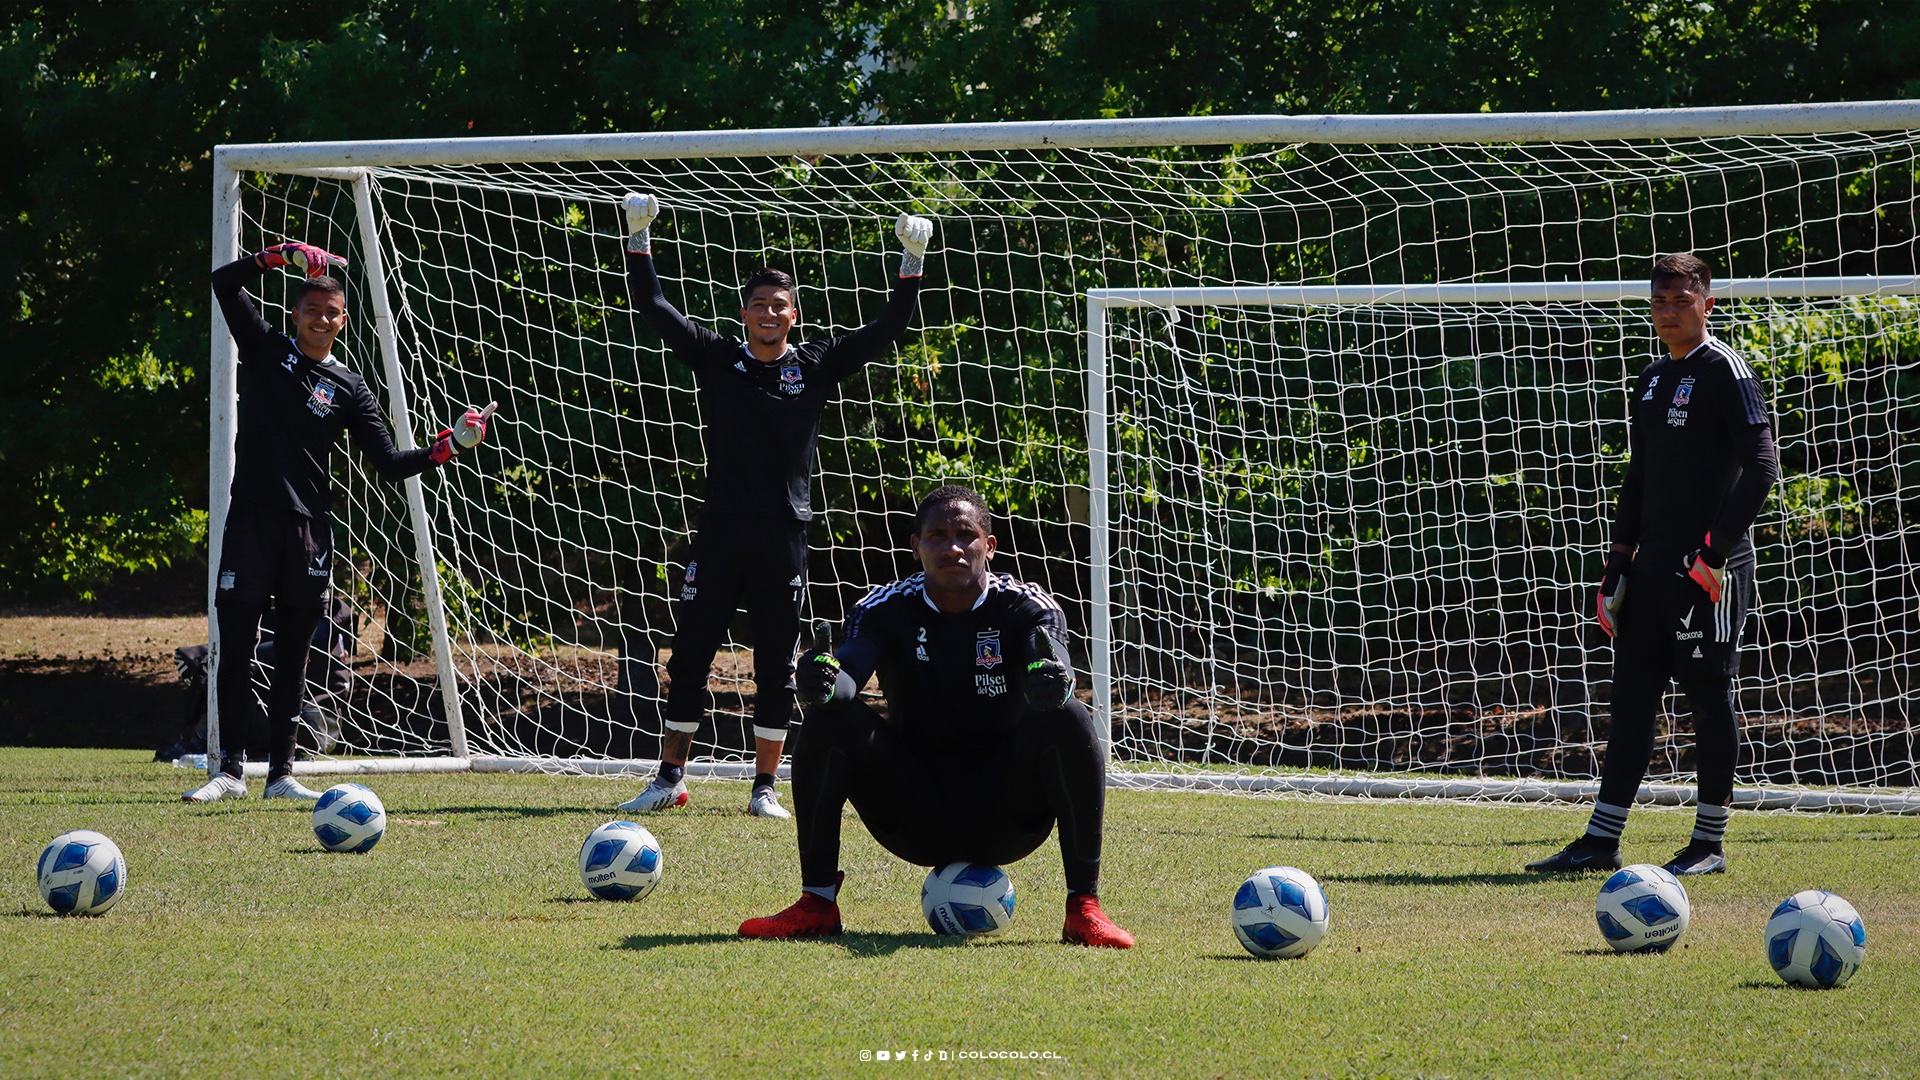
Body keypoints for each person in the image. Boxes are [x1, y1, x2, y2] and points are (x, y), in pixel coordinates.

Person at [614, 193, 933, 819]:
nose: (768, 313)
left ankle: (764, 787)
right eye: (758, 304)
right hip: (721, 530)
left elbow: (890, 327)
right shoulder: (716, 357)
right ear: (745, 313)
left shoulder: (814, 364)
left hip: (784, 532)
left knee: (774, 662)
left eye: (778, 306)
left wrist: (911, 260)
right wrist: (638, 238)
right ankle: (670, 775)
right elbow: (652, 305)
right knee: (692, 652)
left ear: (794, 317)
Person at [739, 485, 1135, 947]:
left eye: (965, 534)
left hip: (1005, 814)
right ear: (915, 546)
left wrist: (1053, 682)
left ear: (988, 546)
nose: (951, 547)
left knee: (1068, 713)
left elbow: (1054, 664)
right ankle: (817, 904)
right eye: (937, 535)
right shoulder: (884, 607)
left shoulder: (1026, 605)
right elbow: (850, 671)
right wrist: (824, 682)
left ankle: (1083, 909)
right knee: (830, 713)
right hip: (913, 813)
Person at [185, 242, 493, 802]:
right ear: (295, 315)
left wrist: (447, 447)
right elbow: (223, 284)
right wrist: (275, 256)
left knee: (298, 655)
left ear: (343, 321)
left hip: (308, 533)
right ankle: (229, 771)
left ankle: (280, 775)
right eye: (311, 310)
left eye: (331, 313)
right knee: (236, 647)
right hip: (251, 522)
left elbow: (391, 463)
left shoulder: (350, 389)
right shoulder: (263, 349)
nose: (321, 320)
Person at [1527, 253, 1777, 874]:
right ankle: (1601, 841)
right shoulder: (1651, 378)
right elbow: (1641, 476)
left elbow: (1764, 470)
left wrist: (1714, 553)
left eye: (1681, 301)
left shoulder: (1726, 370)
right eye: (1660, 302)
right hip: (1651, 570)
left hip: (1709, 572)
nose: (1669, 311)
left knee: (1707, 698)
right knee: (1633, 699)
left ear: (1707, 304)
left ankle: (1709, 845)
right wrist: (1617, 563)